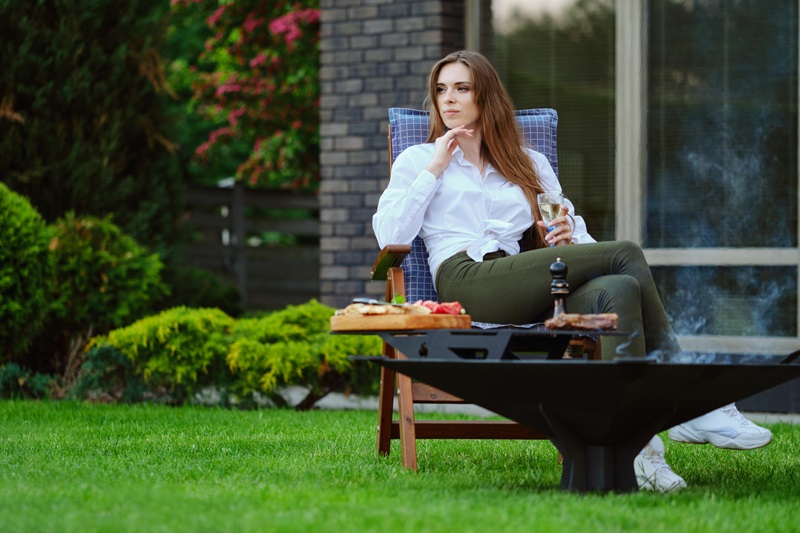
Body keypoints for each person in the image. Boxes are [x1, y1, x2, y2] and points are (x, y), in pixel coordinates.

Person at [372, 50, 771, 491]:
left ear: (486, 96)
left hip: (527, 282)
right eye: (441, 90)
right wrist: (436, 168)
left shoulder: (528, 163)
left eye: (462, 88)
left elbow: (575, 235)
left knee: (619, 287)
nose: (448, 99)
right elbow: (391, 234)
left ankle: (640, 454)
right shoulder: (418, 159)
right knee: (626, 254)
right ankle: (694, 403)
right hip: (465, 279)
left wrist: (565, 238)